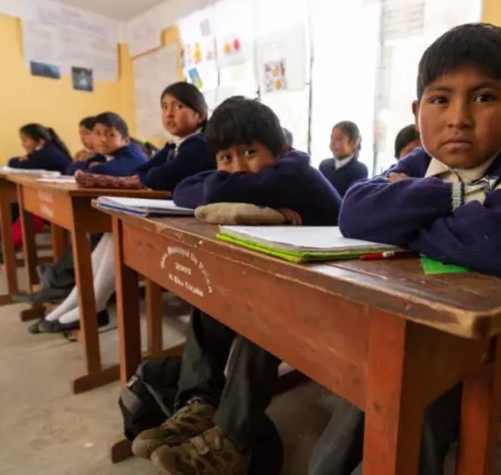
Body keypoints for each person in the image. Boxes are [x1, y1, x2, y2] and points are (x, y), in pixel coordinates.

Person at [308, 23, 501, 475]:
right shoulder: (419, 160)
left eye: (484, 97)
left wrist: (406, 213)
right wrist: (467, 205)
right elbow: (354, 212)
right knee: (380, 374)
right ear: (418, 111)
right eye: (440, 99)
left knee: (421, 394)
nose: (458, 118)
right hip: (429, 327)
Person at [132, 96, 341, 475]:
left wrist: (219, 185)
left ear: (281, 150)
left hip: (338, 294)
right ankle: (197, 404)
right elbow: (183, 189)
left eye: (249, 152)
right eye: (225, 159)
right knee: (212, 298)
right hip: (286, 279)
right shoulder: (263, 177)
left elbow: (206, 192)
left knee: (258, 322)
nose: (239, 169)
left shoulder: (296, 172)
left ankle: (231, 439)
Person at [26, 112, 148, 333]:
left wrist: (89, 167)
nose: (101, 140)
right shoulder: (107, 155)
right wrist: (86, 165)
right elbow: (73, 170)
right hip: (117, 214)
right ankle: (76, 303)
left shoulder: (131, 153)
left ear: (125, 139)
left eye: (109, 135)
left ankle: (88, 304)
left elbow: (122, 171)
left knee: (106, 232)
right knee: (105, 232)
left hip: (136, 218)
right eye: (97, 134)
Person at [0, 124, 73, 259]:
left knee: (27, 209)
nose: (23, 144)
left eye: (26, 140)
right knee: (17, 204)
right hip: (53, 195)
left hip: (60, 201)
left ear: (40, 142)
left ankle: (5, 247)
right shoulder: (44, 151)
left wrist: (25, 159)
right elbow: (15, 162)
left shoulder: (48, 153)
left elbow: (15, 163)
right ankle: (0, 241)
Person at [134, 82, 217, 190]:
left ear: (200, 116)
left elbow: (159, 180)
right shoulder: (173, 146)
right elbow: (136, 174)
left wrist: (151, 174)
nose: (169, 114)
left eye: (178, 106)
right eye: (165, 107)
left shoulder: (200, 145)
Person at [318, 121, 369, 196]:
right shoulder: (324, 165)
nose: (332, 143)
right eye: (331, 138)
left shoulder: (359, 170)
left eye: (338, 139)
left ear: (353, 143)